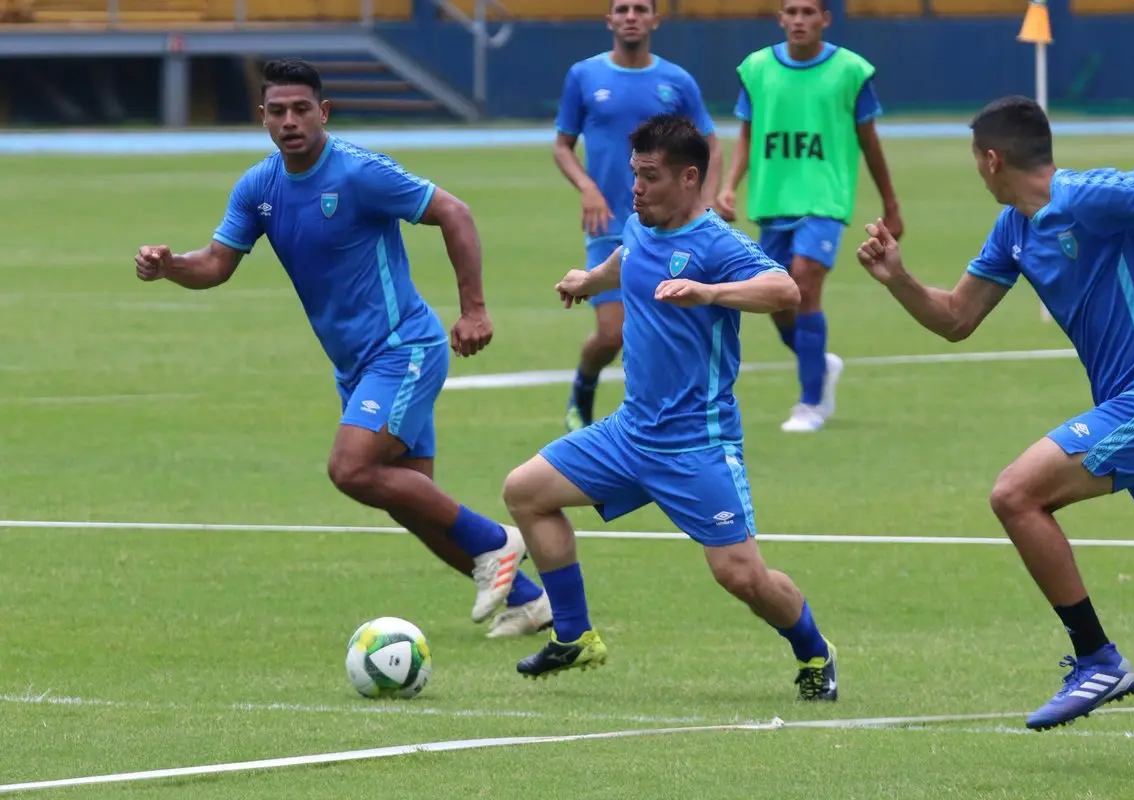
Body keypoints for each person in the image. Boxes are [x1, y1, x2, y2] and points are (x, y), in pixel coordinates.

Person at [133, 58, 551, 640]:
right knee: (412, 501)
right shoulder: (259, 187)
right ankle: (533, 603)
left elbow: (453, 211)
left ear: (323, 112)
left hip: (403, 349)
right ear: (262, 118)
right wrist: (170, 265)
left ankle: (496, 542)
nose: (289, 120)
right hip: (356, 366)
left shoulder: (359, 173)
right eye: (277, 111)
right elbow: (215, 264)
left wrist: (475, 309)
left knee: (350, 469)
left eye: (301, 108)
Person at [855, 95, 1134, 731]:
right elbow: (957, 319)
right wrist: (897, 279)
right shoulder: (1014, 229)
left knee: (1016, 494)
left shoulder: (1087, 195)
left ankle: (1097, 658)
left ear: (992, 159)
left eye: (974, 160)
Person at [503, 114, 839, 701]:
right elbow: (625, 261)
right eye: (634, 173)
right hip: (630, 434)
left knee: (742, 577)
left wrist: (709, 292)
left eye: (649, 176)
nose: (635, 186)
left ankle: (815, 651)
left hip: (697, 446)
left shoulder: (716, 243)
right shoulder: (639, 224)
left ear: (689, 178)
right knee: (525, 491)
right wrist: (589, 281)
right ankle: (576, 634)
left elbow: (785, 289)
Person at [717, 0, 901, 434]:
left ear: (825, 19)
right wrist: (728, 186)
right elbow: (747, 133)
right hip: (772, 199)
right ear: (780, 18)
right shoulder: (757, 69)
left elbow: (869, 142)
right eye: (791, 11)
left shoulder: (850, 70)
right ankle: (817, 362)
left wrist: (890, 203)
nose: (799, 20)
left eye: (808, 12)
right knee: (777, 299)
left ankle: (810, 403)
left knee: (804, 281)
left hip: (824, 198)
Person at [554, 0, 723, 433]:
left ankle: (658, 419)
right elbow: (562, 146)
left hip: (668, 225)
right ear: (609, 19)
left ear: (655, 19)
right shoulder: (584, 75)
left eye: (641, 8)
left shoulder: (676, 80)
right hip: (609, 222)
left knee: (664, 326)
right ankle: (582, 393)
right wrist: (588, 187)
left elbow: (710, 145)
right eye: (622, 8)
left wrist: (704, 202)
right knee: (612, 333)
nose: (631, 15)